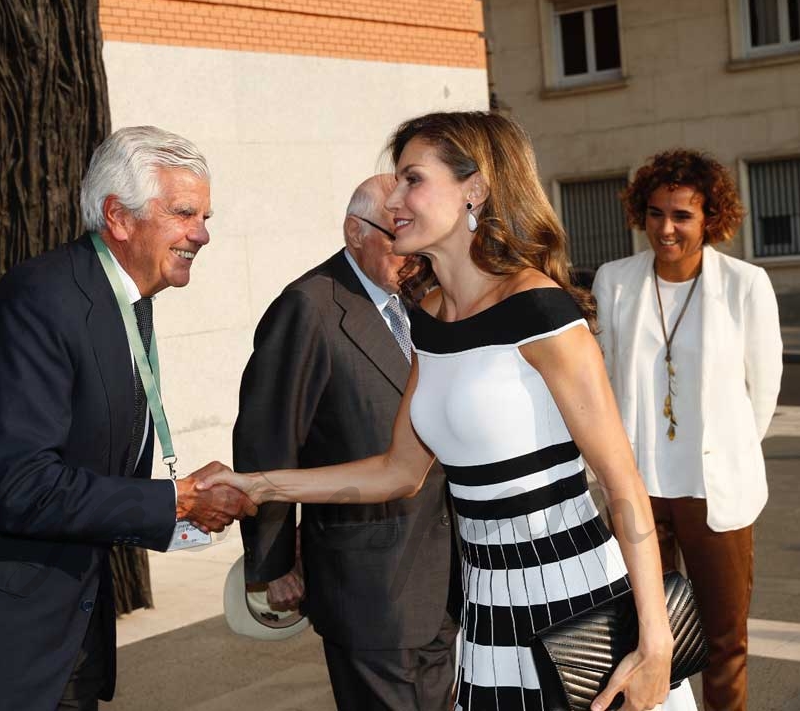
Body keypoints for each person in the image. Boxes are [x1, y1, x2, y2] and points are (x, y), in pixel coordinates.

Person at [202, 111, 696, 711]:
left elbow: (623, 484)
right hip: (486, 610)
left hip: (572, 597)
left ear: (475, 190)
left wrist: (655, 641)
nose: (397, 201)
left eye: (413, 179)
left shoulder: (539, 310)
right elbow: (396, 471)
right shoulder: (429, 317)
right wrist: (254, 482)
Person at [0, 126, 256, 711]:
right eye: (185, 213)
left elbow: (94, 476)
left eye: (206, 216)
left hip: (74, 630)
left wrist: (179, 510)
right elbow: (23, 488)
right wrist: (174, 500)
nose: (203, 235)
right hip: (11, 639)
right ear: (119, 216)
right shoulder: (41, 301)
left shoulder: (127, 300)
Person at [235, 174, 460, 711]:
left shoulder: (423, 304)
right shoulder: (309, 308)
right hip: (369, 585)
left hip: (445, 576)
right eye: (396, 233)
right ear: (354, 230)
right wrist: (274, 563)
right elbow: (268, 440)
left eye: (417, 234)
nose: (411, 251)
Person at [592, 150, 783, 711]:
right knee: (646, 640)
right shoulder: (615, 281)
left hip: (714, 494)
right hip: (638, 492)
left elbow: (763, 389)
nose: (666, 228)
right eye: (655, 214)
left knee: (725, 642)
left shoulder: (745, 285)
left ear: (710, 218)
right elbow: (601, 379)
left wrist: (729, 453)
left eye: (682, 216)